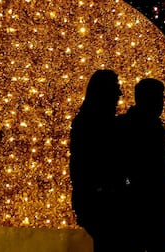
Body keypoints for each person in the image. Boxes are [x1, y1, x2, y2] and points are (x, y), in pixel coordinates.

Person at [117, 78, 165, 252]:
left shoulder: (127, 124)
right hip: (148, 212)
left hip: (145, 210)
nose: (162, 103)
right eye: (159, 98)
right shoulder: (145, 128)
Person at [69, 69, 123, 252]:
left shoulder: (89, 121)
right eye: (116, 88)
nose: (120, 93)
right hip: (102, 201)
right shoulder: (96, 124)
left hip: (97, 199)